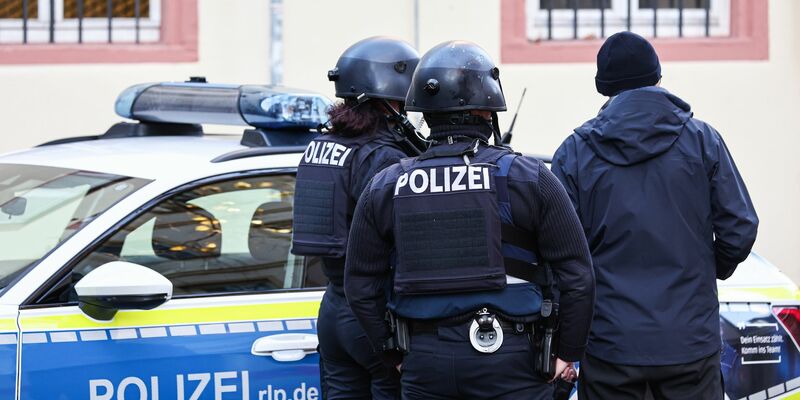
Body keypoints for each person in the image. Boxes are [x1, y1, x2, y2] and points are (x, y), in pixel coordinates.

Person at [344, 40, 594, 400]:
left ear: (424, 113)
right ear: (487, 111)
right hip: (515, 360)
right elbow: (578, 275)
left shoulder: (387, 185)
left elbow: (360, 285)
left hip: (425, 362)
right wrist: (567, 353)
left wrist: (393, 354)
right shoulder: (528, 177)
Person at [551, 31, 759, 400]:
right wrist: (704, 270)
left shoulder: (576, 153)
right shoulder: (702, 141)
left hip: (611, 345)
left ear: (604, 88)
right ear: (658, 78)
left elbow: (560, 253)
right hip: (690, 343)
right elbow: (740, 227)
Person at [291, 36, 420, 400]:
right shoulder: (382, 157)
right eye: (404, 102)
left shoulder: (323, 146)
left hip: (333, 309)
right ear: (389, 99)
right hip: (375, 312)